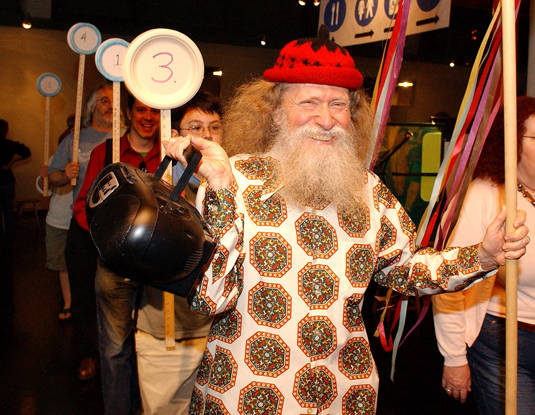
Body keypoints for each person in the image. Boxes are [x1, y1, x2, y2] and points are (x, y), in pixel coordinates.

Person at [163, 26, 529, 414]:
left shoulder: (367, 189)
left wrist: (484, 256)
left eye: (338, 104)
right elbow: (210, 298)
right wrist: (218, 187)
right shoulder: (230, 180)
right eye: (309, 102)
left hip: (344, 396)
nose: (325, 119)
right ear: (273, 110)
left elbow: (407, 269)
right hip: (246, 397)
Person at [433, 96, 535, 414]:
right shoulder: (487, 195)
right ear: (513, 143)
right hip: (504, 340)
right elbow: (450, 281)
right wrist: (454, 357)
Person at [135, 90, 223, 415]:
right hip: (166, 337)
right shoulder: (156, 189)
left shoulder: (235, 183)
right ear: (174, 134)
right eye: (196, 127)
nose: (208, 136)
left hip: (220, 333)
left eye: (215, 127)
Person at [73, 93, 161, 414]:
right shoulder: (104, 153)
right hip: (114, 265)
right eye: (141, 109)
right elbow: (82, 205)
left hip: (157, 269)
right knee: (114, 348)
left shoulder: (171, 154)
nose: (148, 116)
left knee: (153, 348)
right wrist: (109, 239)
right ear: (129, 112)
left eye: (155, 110)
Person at [48, 82, 114, 380]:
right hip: (83, 225)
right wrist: (65, 174)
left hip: (116, 229)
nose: (108, 105)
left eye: (113, 100)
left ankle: (115, 355)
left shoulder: (125, 139)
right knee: (83, 292)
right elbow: (53, 176)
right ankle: (87, 353)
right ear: (91, 107)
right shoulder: (76, 139)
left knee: (115, 295)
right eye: (102, 100)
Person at [37, 122, 74, 320]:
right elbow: (44, 190)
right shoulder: (55, 160)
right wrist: (44, 177)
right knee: (62, 266)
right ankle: (68, 302)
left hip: (79, 220)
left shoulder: (86, 157)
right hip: (58, 220)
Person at [0, 119, 31, 238]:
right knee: (8, 209)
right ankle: (9, 235)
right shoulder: (9, 144)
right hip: (7, 180)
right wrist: (11, 162)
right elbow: (26, 152)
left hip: (6, 180)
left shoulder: (9, 144)